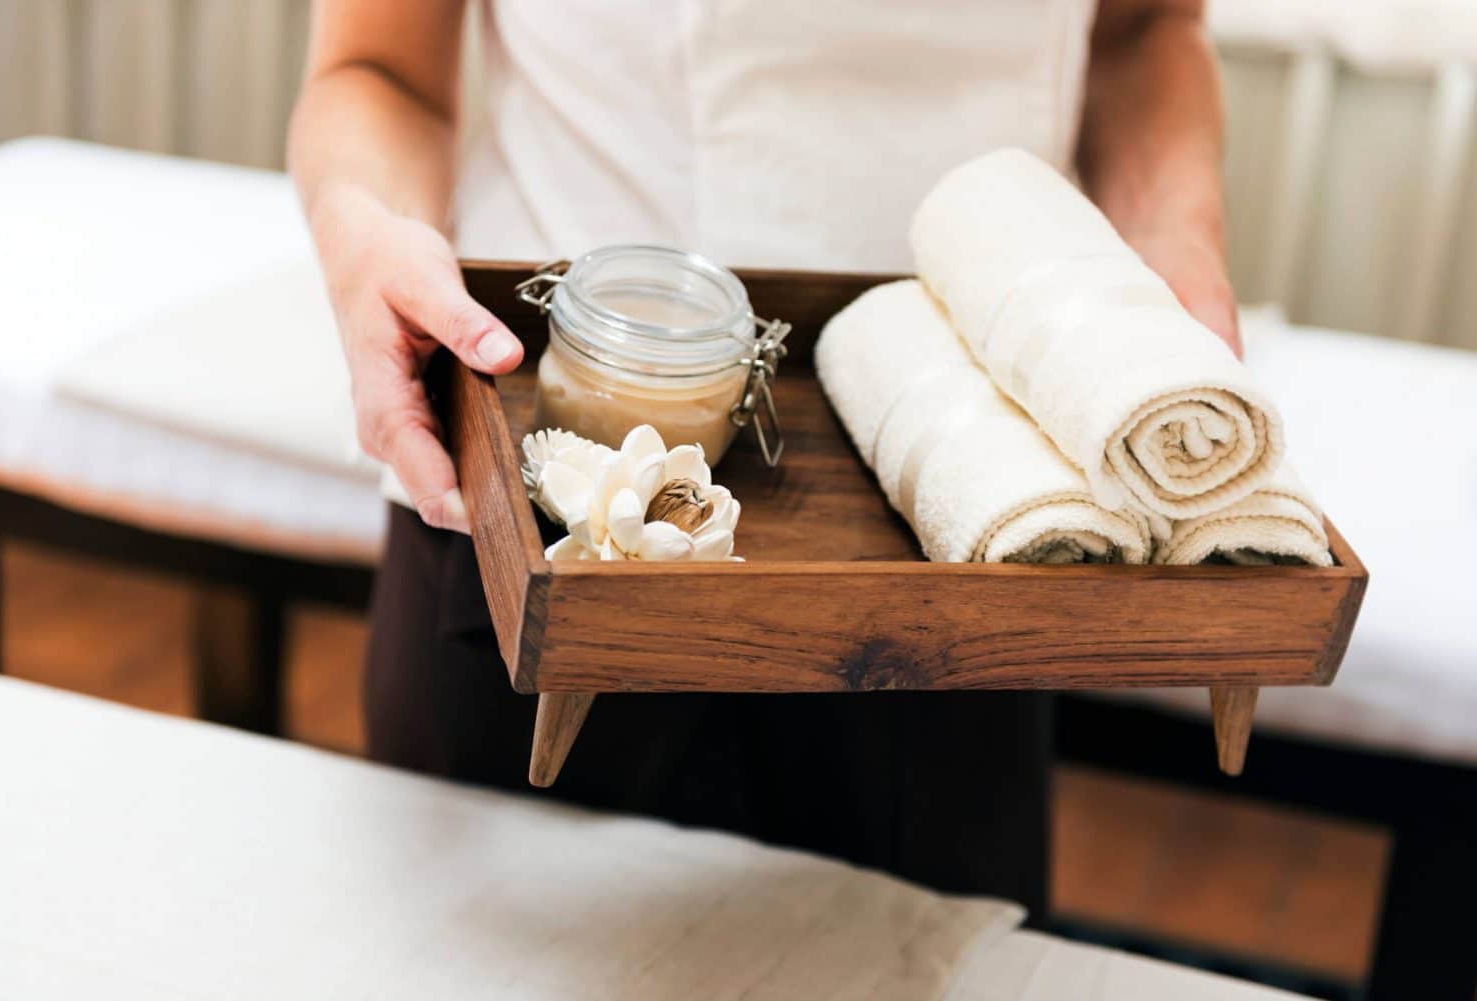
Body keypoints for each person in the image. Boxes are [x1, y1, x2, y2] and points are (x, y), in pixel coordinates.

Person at [289, 0, 1240, 918]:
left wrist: (1171, 245)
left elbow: (1146, 29)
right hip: (541, 503)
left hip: (973, 533)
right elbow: (379, 69)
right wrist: (360, 228)